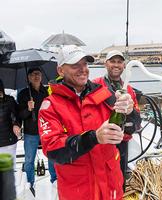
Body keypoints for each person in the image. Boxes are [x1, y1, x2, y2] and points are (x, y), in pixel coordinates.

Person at [38, 45, 135, 200]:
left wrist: (130, 112)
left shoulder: (104, 94)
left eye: (85, 64)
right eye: (76, 65)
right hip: (79, 190)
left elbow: (131, 129)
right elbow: (53, 150)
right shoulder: (50, 106)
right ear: (61, 70)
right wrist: (94, 137)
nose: (83, 69)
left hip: (111, 185)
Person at [93, 50, 141, 187]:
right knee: (101, 180)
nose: (116, 65)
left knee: (120, 179)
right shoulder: (94, 85)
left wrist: (130, 110)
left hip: (122, 142)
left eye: (119, 62)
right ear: (105, 64)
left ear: (124, 66)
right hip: (101, 142)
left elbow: (137, 122)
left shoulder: (129, 90)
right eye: (112, 61)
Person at [17, 67, 57, 195]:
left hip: (46, 129)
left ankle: (54, 180)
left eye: (38, 74)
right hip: (31, 132)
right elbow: (21, 115)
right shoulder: (23, 94)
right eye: (33, 74)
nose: (36, 76)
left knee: (52, 156)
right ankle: (30, 182)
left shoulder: (46, 91)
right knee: (29, 159)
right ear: (28, 77)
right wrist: (28, 109)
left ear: (41, 76)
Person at [0, 79, 21, 168]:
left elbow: (16, 115)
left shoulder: (9, 100)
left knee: (8, 169)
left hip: (8, 141)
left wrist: (16, 124)